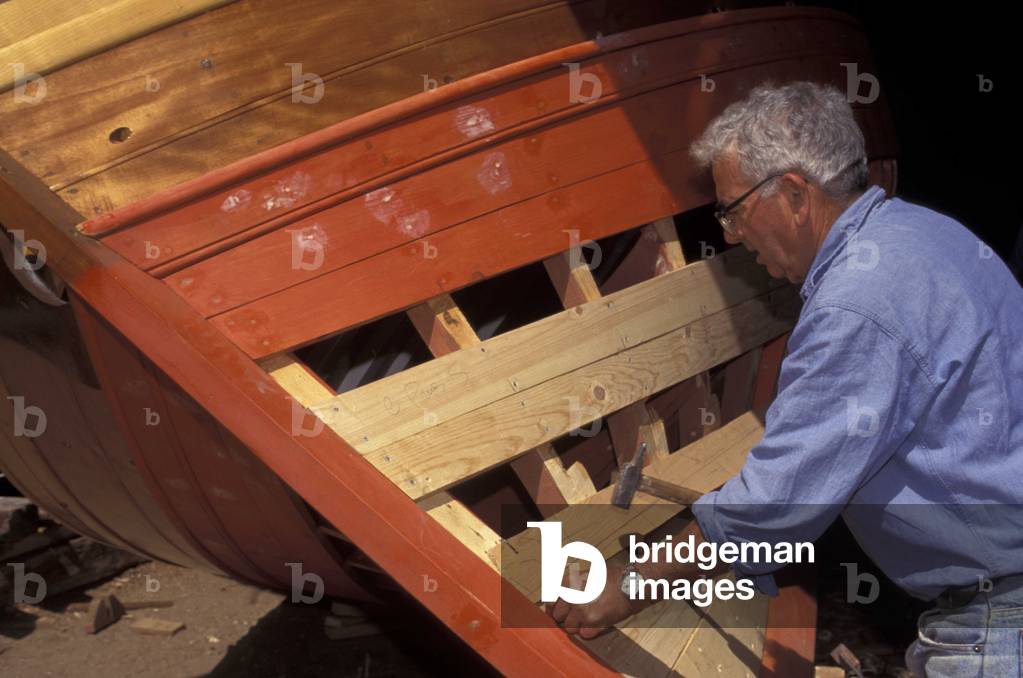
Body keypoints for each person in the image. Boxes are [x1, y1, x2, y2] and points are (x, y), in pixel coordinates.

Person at [546, 81, 1023, 677]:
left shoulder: (856, 305)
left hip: (1001, 624)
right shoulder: (927, 235)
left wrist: (634, 579)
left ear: (795, 194)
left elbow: (781, 501)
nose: (729, 235)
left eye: (732, 210)